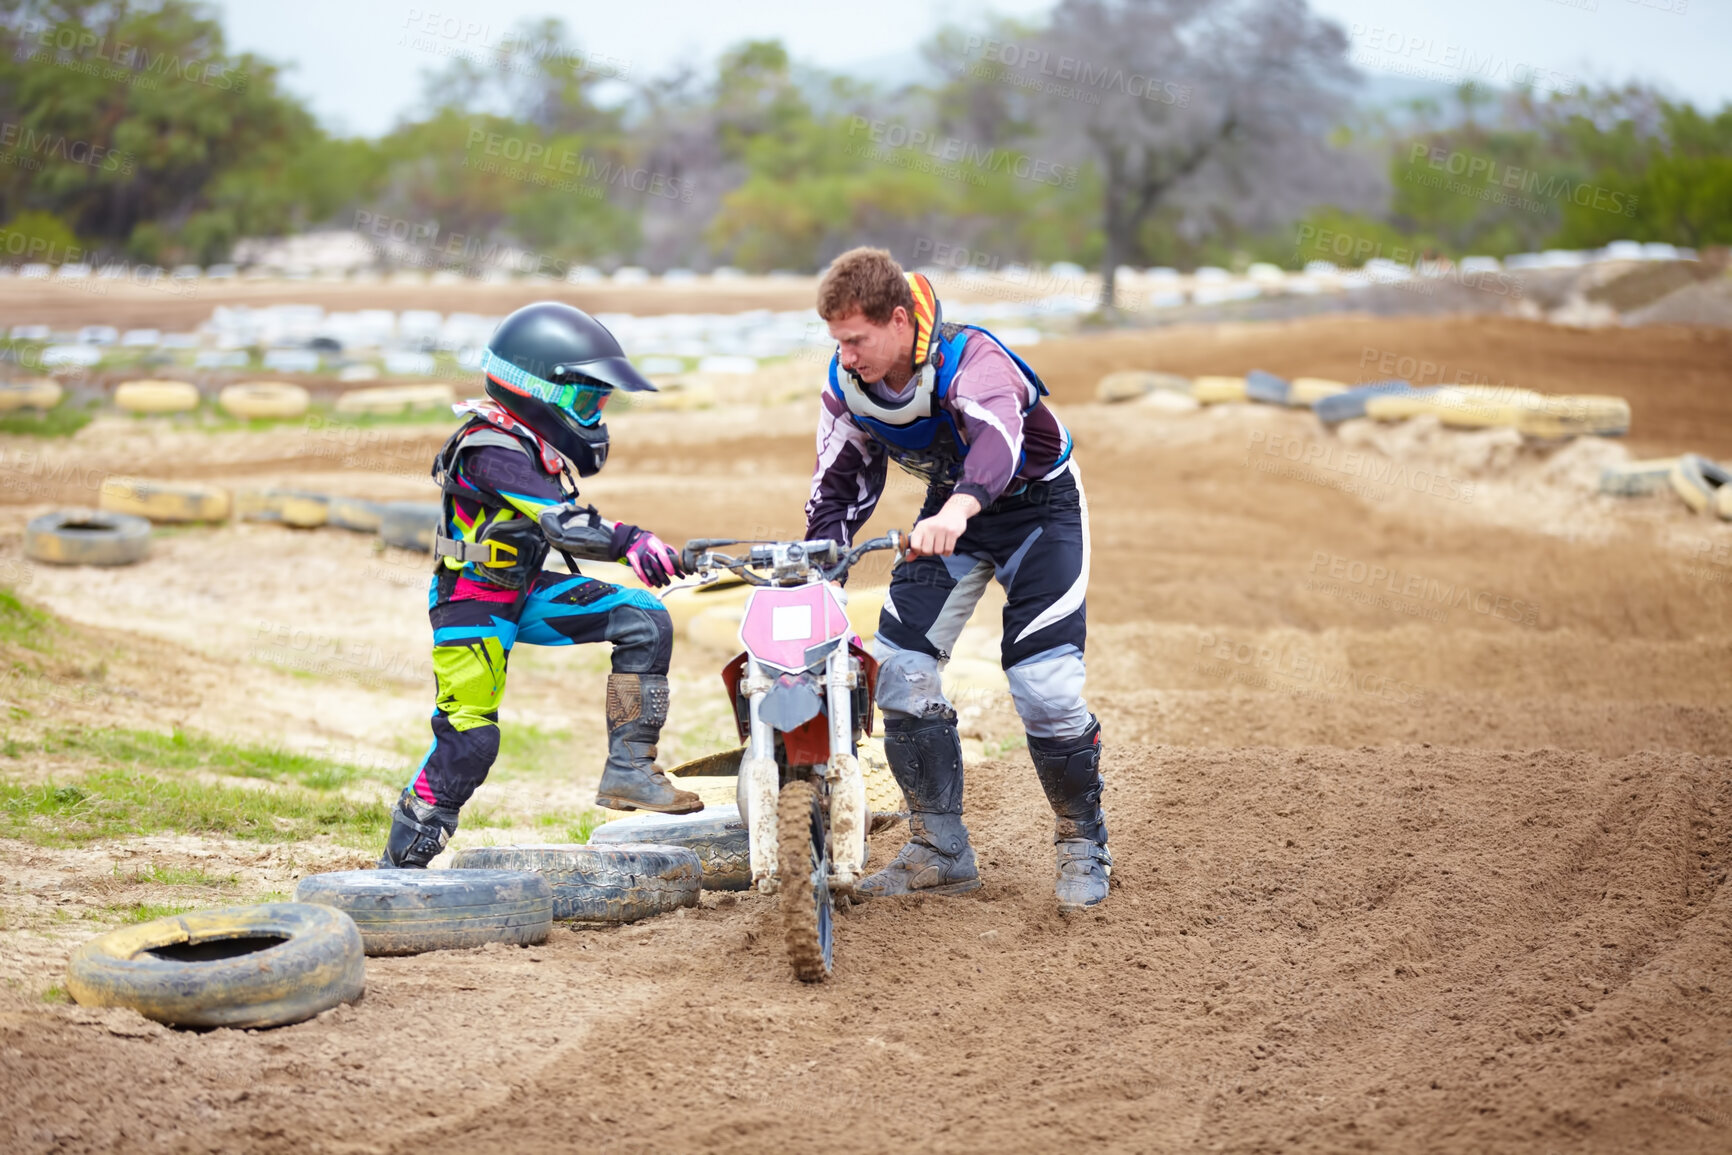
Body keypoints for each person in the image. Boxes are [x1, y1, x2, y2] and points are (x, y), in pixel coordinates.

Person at [803, 247, 1109, 912]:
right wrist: (819, 563)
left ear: (896, 322)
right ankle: (940, 850)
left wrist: (960, 508)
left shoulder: (973, 361)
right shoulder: (847, 385)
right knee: (900, 667)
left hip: (1037, 511)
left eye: (856, 340)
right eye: (838, 342)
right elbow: (837, 486)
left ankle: (1082, 839)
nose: (846, 356)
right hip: (951, 515)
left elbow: (997, 445)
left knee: (1044, 684)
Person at [378, 301, 702, 870]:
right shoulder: (489, 448)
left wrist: (659, 553)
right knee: (471, 743)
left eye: (599, 401)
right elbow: (562, 523)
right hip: (471, 603)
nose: (594, 413)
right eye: (584, 400)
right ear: (536, 392)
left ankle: (629, 769)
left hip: (522, 592)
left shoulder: (533, 447)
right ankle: (400, 866)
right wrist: (631, 541)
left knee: (643, 619)